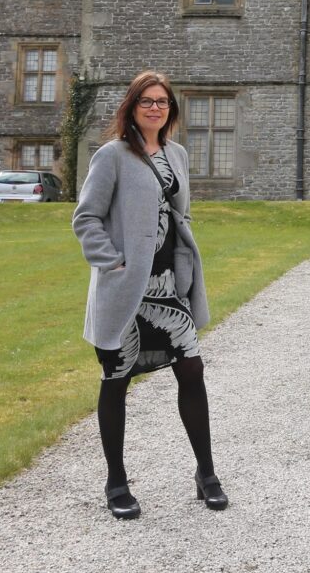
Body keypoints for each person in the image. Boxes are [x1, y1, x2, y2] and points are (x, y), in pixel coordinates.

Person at [73, 71, 228, 519]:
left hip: (169, 288)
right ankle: (116, 483)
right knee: (115, 380)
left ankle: (206, 474)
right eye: (147, 101)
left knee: (193, 372)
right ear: (132, 107)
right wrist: (114, 262)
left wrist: (184, 268)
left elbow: (181, 217)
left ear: (170, 110)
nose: (155, 107)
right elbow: (86, 219)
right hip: (127, 290)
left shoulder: (176, 154)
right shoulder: (113, 155)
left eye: (162, 101)